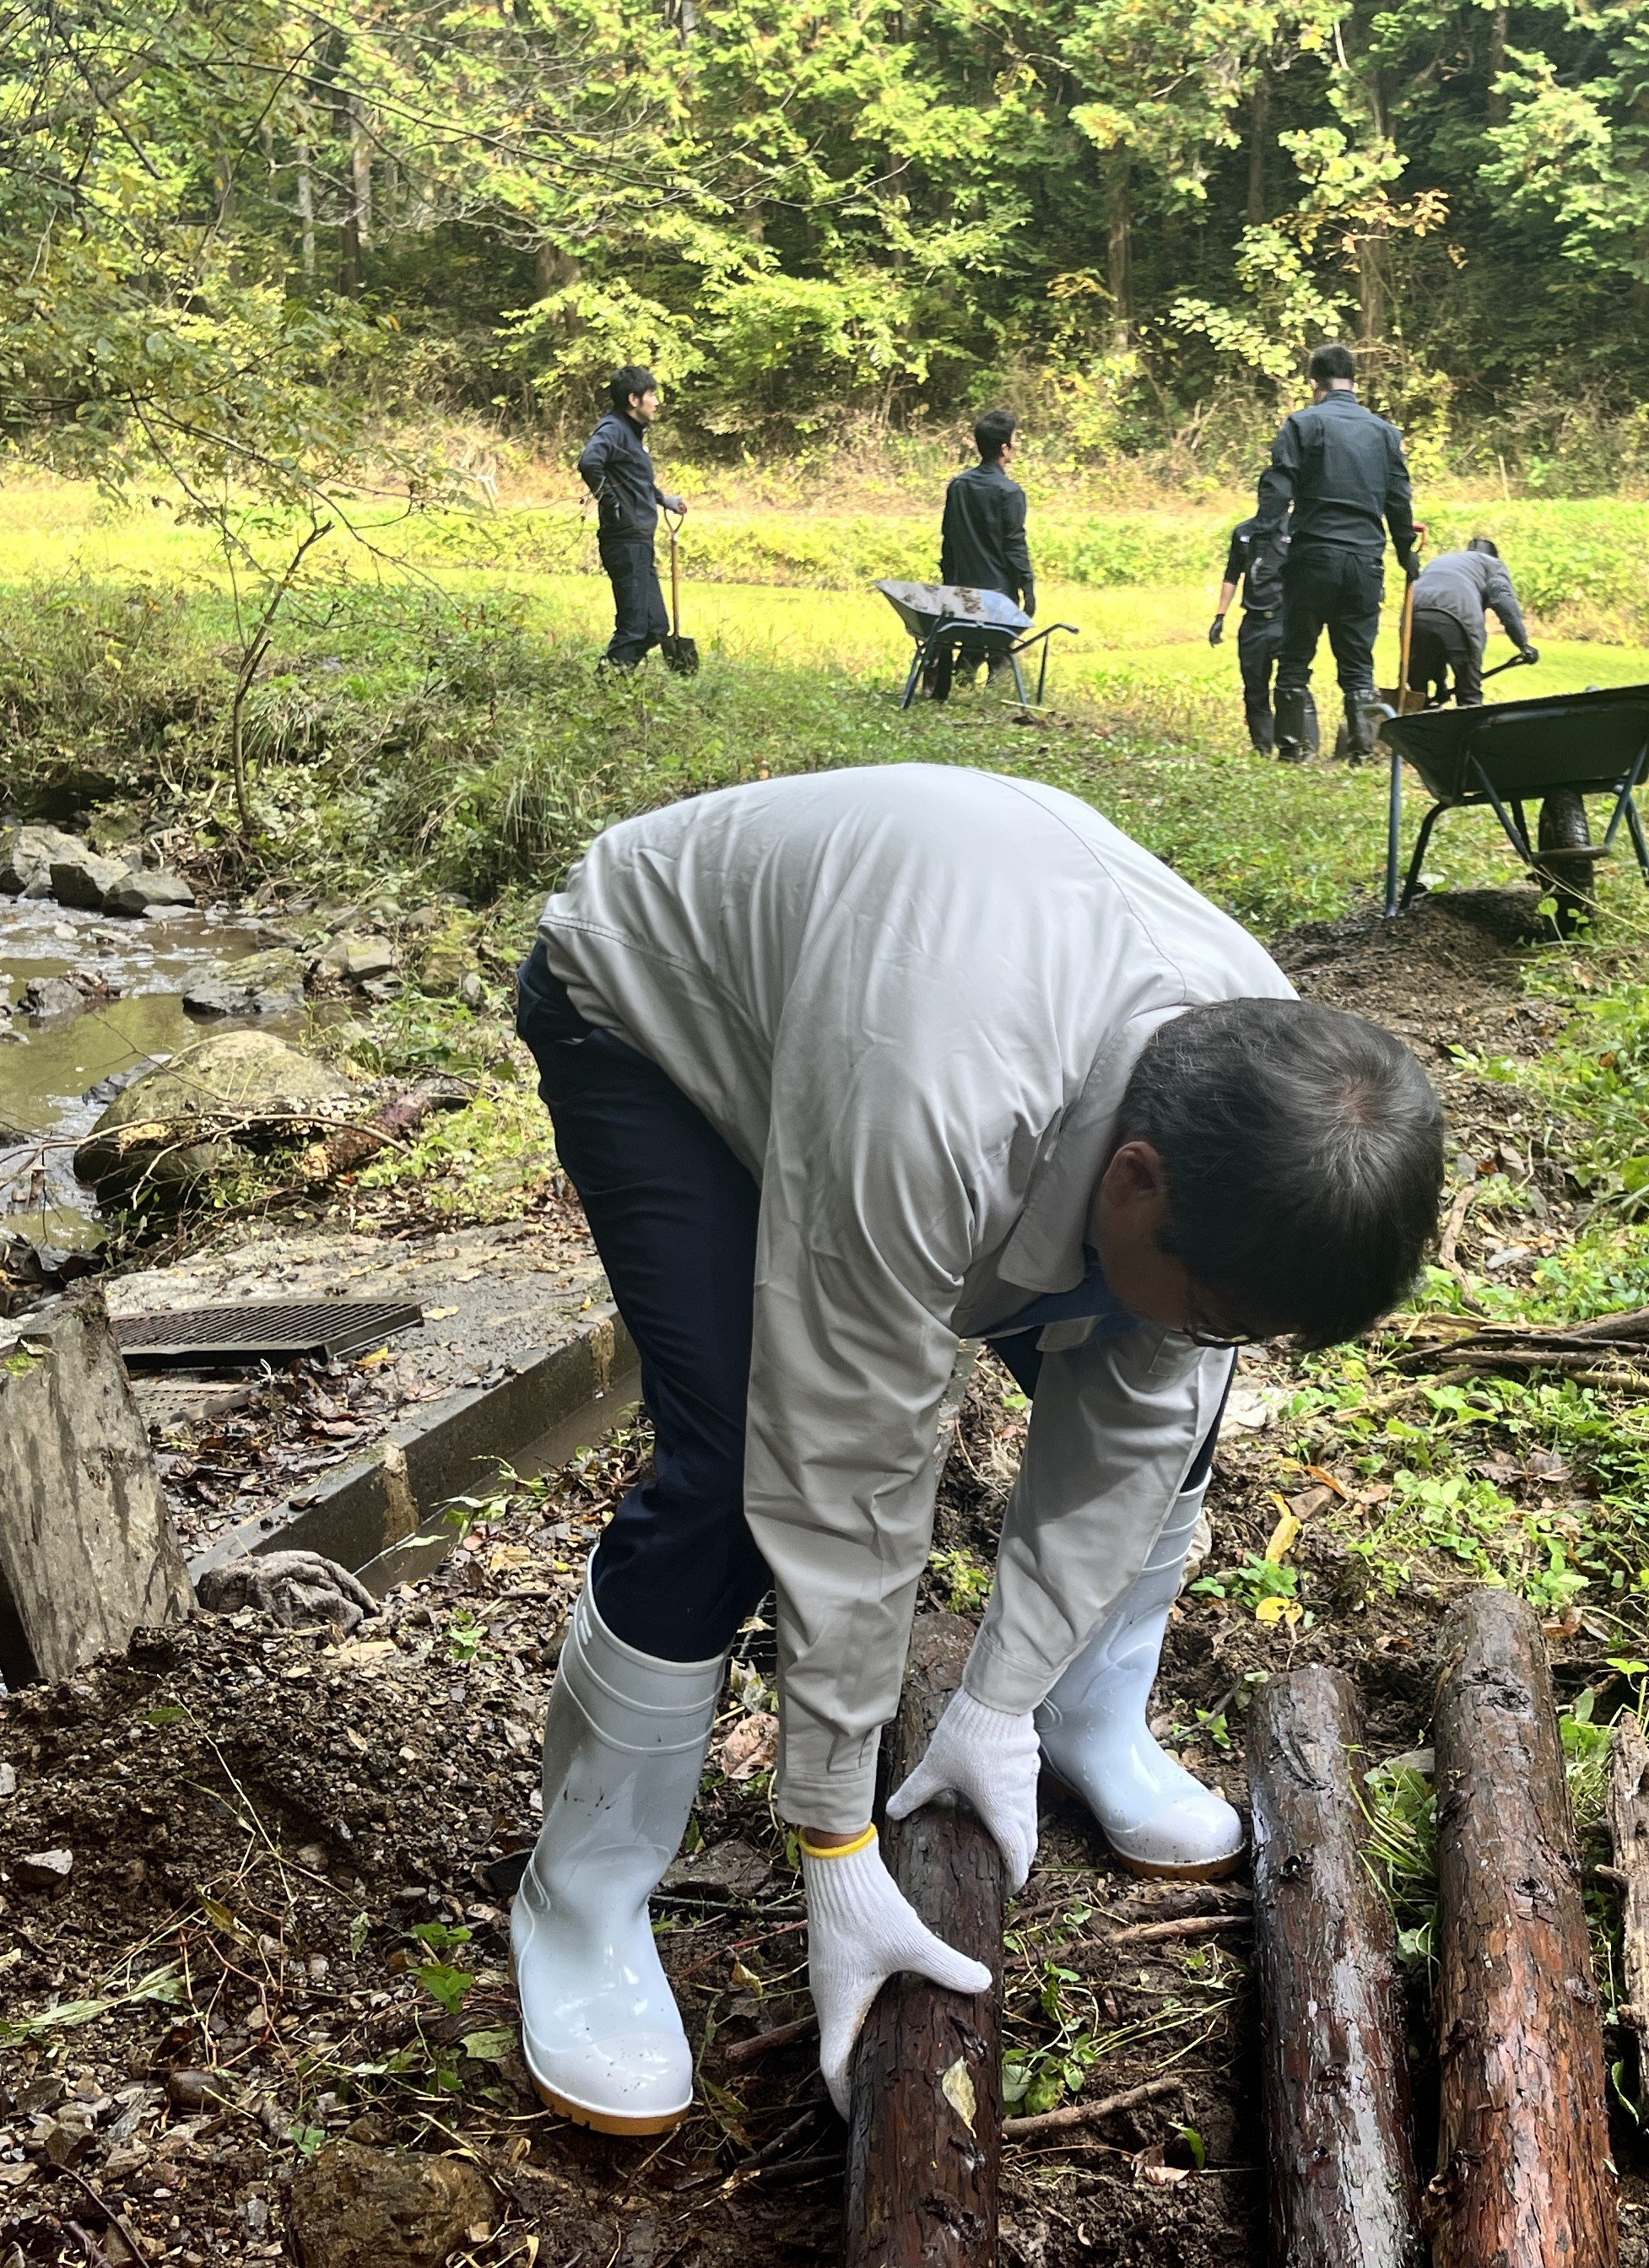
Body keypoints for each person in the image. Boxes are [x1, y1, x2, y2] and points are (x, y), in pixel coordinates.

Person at [505, 764, 1444, 2137]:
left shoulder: (1271, 1094)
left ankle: (1082, 1720)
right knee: (729, 1479)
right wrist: (832, 1832)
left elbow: (1139, 1411)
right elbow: (847, 1457)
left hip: (924, 1045)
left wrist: (998, 1697)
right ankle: (577, 1899)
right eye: (1231, 1313)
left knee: (1171, 1409)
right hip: (665, 1019)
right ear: (1135, 1181)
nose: (1223, 1342)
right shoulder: (935, 1091)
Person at [1244, 342, 1418, 763]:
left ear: (1313, 382)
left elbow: (1278, 485)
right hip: (1364, 562)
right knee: (1358, 663)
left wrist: (1262, 537)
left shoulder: (1303, 424)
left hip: (1312, 557)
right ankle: (1361, 753)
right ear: (1355, 382)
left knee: (1295, 656)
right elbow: (1399, 499)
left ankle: (1292, 750)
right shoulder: (1384, 432)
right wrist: (1405, 554)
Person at [577, 366, 686, 668]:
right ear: (634, 400)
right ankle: (607, 683)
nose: (657, 402)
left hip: (640, 540)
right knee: (634, 627)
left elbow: (636, 480)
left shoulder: (632, 435)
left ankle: (617, 684)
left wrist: (664, 500)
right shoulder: (613, 429)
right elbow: (589, 463)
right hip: (624, 541)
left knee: (654, 627)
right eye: (652, 395)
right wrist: (611, 502)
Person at [932, 408, 1037, 694]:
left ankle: (963, 681)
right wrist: (1027, 586)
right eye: (1015, 439)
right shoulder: (1010, 492)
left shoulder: (959, 486)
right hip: (998, 592)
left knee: (974, 642)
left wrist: (948, 582)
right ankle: (994, 693)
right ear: (1005, 448)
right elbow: (1015, 543)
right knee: (998, 647)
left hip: (960, 587)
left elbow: (948, 537)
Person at [1408, 537, 1537, 708]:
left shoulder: (1443, 560)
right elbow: (1503, 601)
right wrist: (1523, 643)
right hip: (1459, 614)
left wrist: (1441, 686)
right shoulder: (1493, 565)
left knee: (1417, 688)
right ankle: (1470, 726)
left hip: (1415, 611)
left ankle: (1412, 720)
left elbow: (1435, 629)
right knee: (1469, 691)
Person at [1209, 520, 1295, 754]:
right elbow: (1232, 574)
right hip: (1254, 620)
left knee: (1291, 685)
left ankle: (1298, 747)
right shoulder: (1245, 532)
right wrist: (1220, 615)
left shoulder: (1297, 529)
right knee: (1254, 687)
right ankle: (1262, 748)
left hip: (1286, 619)